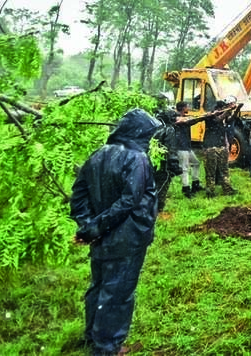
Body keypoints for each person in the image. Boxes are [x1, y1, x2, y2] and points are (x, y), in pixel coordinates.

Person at [70, 108, 161, 356]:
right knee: (118, 292)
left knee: (99, 285)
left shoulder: (97, 155)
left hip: (102, 237)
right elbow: (128, 202)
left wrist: (88, 226)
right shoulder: (137, 159)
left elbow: (78, 196)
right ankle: (107, 347)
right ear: (139, 133)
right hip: (128, 237)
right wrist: (94, 227)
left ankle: (93, 336)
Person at [200, 99, 237, 197]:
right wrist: (228, 111)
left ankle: (227, 189)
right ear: (220, 108)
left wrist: (237, 110)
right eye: (224, 108)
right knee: (210, 171)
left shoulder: (223, 117)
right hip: (210, 147)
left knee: (224, 170)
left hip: (221, 146)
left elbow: (230, 119)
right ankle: (210, 191)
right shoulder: (210, 116)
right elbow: (218, 119)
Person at [172, 102, 204, 198]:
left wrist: (203, 117)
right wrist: (201, 117)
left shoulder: (186, 117)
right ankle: (185, 189)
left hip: (187, 147)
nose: (188, 108)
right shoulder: (175, 117)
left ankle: (195, 184)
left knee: (196, 163)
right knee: (184, 168)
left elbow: (191, 121)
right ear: (182, 108)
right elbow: (186, 121)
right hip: (181, 147)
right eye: (187, 106)